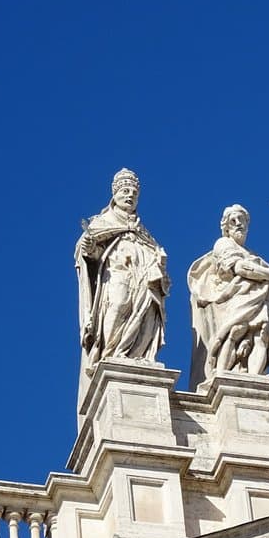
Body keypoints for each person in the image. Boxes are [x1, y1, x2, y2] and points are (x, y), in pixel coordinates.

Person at [187, 205, 269, 389]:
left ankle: (254, 378)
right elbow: (241, 268)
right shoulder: (223, 244)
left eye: (242, 220)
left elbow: (266, 273)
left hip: (257, 297)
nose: (238, 224)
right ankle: (221, 375)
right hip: (235, 297)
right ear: (226, 227)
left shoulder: (251, 254)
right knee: (236, 331)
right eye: (233, 221)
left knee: (261, 335)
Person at [75, 168, 169, 392]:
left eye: (134, 193)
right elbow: (89, 253)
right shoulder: (103, 222)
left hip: (144, 278)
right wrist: (89, 248)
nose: (130, 195)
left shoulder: (142, 230)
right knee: (117, 305)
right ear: (114, 194)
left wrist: (159, 262)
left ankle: (136, 354)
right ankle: (109, 354)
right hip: (116, 273)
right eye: (125, 191)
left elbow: (153, 250)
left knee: (145, 311)